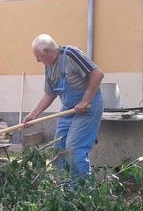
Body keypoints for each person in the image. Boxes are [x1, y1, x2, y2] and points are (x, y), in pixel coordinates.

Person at [23, 34, 104, 178]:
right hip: (68, 111)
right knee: (58, 150)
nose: (37, 60)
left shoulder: (71, 54)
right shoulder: (49, 67)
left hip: (87, 109)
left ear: (47, 51)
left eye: (38, 56)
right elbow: (50, 94)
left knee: (74, 149)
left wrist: (85, 101)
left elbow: (97, 74)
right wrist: (33, 114)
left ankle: (81, 187)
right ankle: (62, 186)